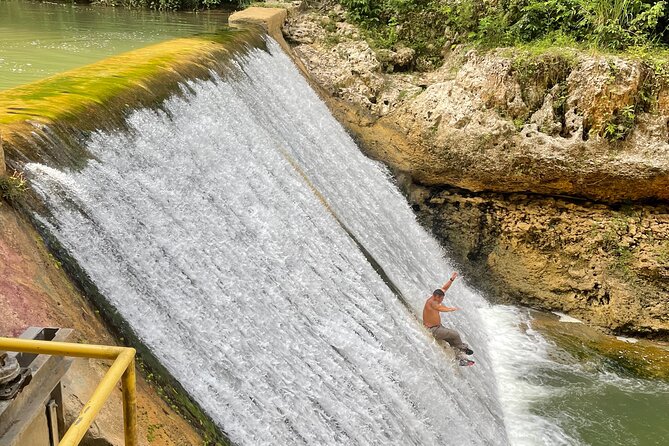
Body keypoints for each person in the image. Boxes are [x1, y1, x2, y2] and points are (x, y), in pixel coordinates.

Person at [423, 272, 475, 366]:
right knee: (455, 334)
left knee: (453, 341)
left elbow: (444, 288)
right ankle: (463, 348)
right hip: (433, 330)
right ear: (436, 297)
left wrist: (451, 279)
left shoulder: (434, 297)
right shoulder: (432, 303)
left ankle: (461, 359)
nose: (441, 301)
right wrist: (451, 309)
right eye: (441, 299)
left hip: (438, 328)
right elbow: (440, 308)